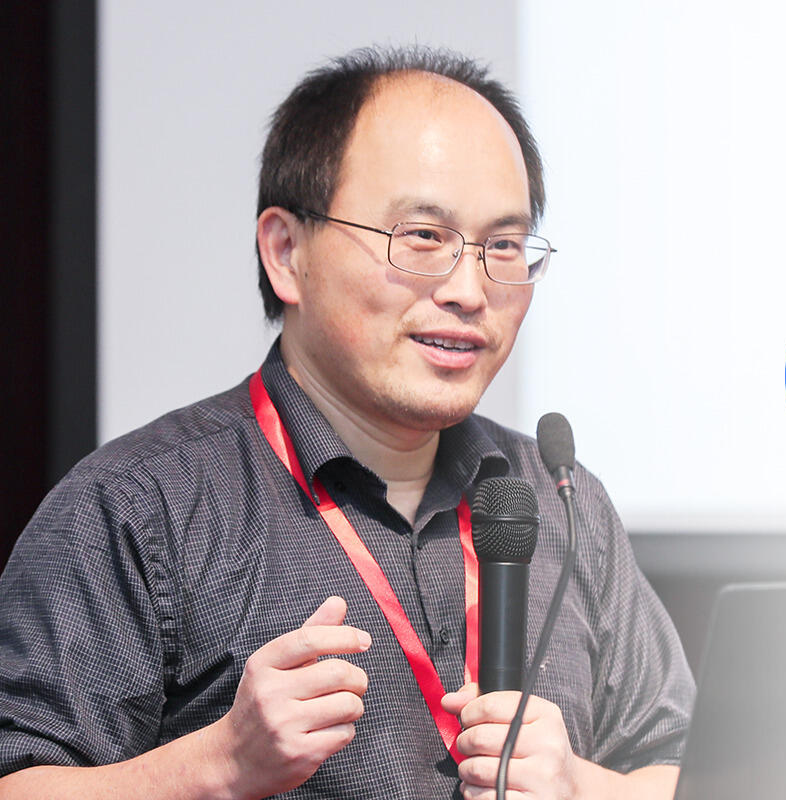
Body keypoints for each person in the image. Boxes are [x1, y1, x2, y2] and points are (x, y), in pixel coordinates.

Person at [0, 46, 694, 800]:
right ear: (286, 252)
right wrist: (219, 766)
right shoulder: (139, 508)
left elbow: (690, 771)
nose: (469, 289)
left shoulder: (560, 500)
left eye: (501, 246)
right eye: (422, 238)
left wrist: (581, 786)